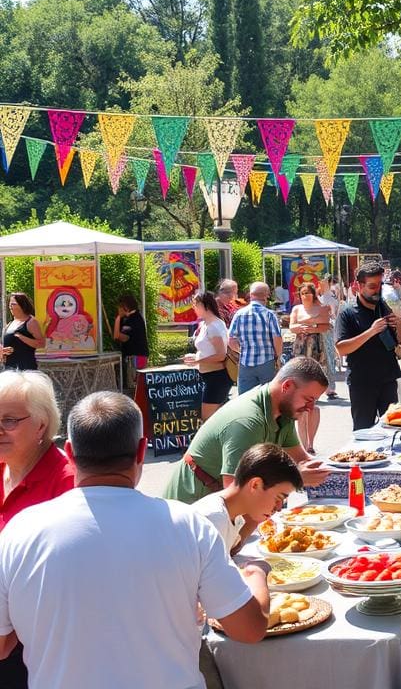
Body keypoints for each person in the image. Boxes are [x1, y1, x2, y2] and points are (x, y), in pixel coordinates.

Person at [0, 392, 270, 689]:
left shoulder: (19, 532)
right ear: (142, 450)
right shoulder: (187, 525)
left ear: (70, 452)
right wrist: (258, 576)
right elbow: (249, 629)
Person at [162, 357, 331, 504]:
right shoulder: (246, 422)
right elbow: (235, 493)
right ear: (287, 386)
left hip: (220, 506)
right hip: (191, 509)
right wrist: (294, 479)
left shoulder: (283, 412)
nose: (311, 408)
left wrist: (347, 469)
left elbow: (303, 461)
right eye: (308, 399)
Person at [0, 371, 74, 686]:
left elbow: (68, 582)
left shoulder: (68, 484)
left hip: (31, 648)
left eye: (9, 421)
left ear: (41, 425)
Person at [335, 262, 401, 430]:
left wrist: (398, 324)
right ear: (359, 286)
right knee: (363, 430)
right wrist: (371, 331)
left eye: (380, 285)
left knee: (392, 428)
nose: (377, 290)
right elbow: (341, 348)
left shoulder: (384, 307)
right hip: (362, 382)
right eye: (372, 286)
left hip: (388, 378)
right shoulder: (347, 312)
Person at [193, 443, 303, 557]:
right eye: (278, 498)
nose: (279, 508)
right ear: (255, 485)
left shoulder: (234, 516)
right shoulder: (213, 519)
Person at [183, 291, 232, 421]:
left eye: (195, 305)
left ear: (205, 305)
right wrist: (197, 357)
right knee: (214, 419)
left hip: (216, 377)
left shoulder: (214, 325)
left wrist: (197, 360)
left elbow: (221, 355)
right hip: (210, 376)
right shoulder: (207, 324)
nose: (194, 308)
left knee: (208, 419)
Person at [228, 282, 283, 394]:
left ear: (250, 295)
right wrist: (278, 357)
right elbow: (277, 338)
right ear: (267, 295)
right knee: (268, 397)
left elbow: (231, 340)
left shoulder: (239, 314)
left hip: (245, 362)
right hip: (267, 361)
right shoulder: (269, 314)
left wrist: (242, 352)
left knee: (245, 399)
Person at [113, 294, 148, 391]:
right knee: (134, 385)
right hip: (134, 356)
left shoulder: (133, 319)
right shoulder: (129, 318)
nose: (118, 310)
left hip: (135, 357)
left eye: (120, 307)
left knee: (133, 386)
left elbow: (119, 336)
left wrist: (117, 319)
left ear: (125, 307)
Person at [2, 294, 44, 371]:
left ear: (22, 305)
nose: (10, 307)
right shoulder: (9, 324)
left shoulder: (31, 322)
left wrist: (22, 337)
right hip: (9, 369)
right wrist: (3, 351)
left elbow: (41, 343)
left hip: (26, 369)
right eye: (9, 304)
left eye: (13, 304)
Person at [317, 275, 340, 399]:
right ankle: (325, 387)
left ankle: (330, 387)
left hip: (329, 329)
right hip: (320, 329)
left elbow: (334, 313)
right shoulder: (321, 296)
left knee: (329, 357)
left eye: (325, 281)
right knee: (322, 358)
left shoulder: (329, 295)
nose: (322, 283)